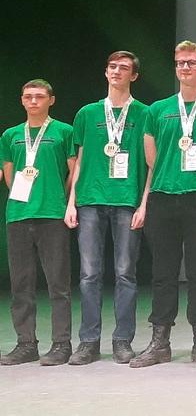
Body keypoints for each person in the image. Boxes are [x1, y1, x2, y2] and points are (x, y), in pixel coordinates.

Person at [130, 41, 196, 368]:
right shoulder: (157, 110)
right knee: (163, 273)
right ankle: (160, 341)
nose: (184, 67)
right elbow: (151, 157)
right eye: (180, 62)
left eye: (191, 62)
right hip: (162, 197)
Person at [64, 51, 149, 365]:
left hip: (127, 200)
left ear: (134, 76)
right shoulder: (87, 113)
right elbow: (80, 159)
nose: (116, 71)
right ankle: (88, 341)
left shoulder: (144, 113)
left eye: (124, 68)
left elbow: (150, 163)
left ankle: (122, 340)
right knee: (89, 274)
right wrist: (70, 202)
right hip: (89, 200)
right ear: (105, 72)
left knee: (126, 273)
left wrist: (144, 203)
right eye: (112, 66)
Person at [0, 79, 76, 366]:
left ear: (51, 100)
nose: (33, 101)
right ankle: (26, 344)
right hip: (18, 216)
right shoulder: (10, 135)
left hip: (52, 215)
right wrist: (23, 198)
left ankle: (61, 344)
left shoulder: (64, 131)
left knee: (58, 284)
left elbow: (73, 171)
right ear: (22, 100)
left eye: (39, 96)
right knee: (21, 284)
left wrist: (60, 197)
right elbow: (9, 173)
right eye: (28, 96)